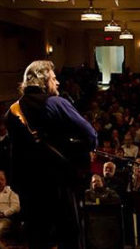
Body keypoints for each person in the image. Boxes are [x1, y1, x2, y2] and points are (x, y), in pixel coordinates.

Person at [5, 60, 97, 249]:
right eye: (54, 79)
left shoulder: (11, 112)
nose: (58, 83)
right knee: (69, 235)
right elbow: (90, 135)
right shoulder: (56, 103)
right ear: (43, 81)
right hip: (59, 184)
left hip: (29, 189)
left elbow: (12, 154)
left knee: (37, 238)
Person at [0, 171, 20, 238]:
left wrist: (4, 213)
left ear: (5, 181)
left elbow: (16, 207)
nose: (0, 182)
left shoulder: (11, 193)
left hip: (5, 219)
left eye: (1, 179)